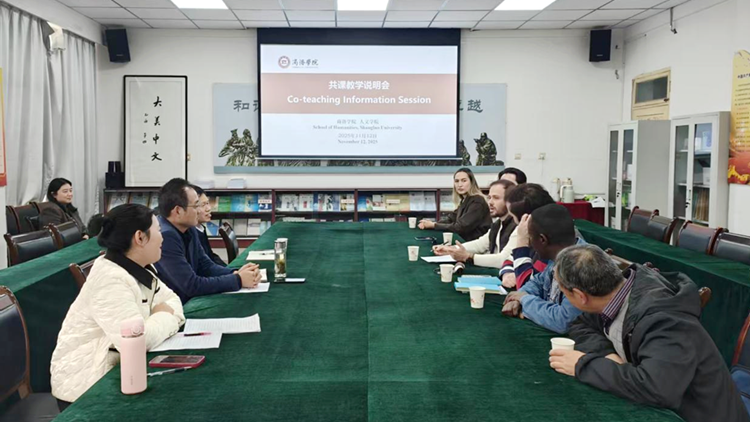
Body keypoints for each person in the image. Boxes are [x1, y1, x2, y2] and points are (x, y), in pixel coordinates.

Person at [549, 245, 750, 422]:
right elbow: (581, 325)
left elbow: (658, 388)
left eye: (564, 293)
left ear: (580, 296)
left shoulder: (664, 320)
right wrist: (608, 355)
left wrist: (582, 365)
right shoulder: (616, 293)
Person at [50, 204, 185, 409]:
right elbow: (138, 341)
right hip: (87, 388)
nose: (162, 237)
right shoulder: (109, 279)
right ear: (140, 237)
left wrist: (158, 318)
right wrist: (165, 316)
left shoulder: (139, 268)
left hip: (119, 372)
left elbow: (174, 301)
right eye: (158, 230)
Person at [154, 178, 260, 303]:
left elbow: (206, 266)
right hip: (177, 307)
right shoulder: (166, 237)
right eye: (196, 206)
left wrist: (236, 273)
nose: (200, 210)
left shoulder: (189, 227)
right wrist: (238, 280)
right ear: (178, 211)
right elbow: (191, 285)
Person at [501, 204, 584, 334]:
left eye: (530, 238)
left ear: (542, 240)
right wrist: (517, 297)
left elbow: (564, 321)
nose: (530, 243)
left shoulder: (581, 266)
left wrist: (525, 301)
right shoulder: (560, 255)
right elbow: (537, 283)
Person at [433, 179, 518, 288]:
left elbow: (503, 259)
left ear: (510, 202)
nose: (490, 202)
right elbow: (480, 244)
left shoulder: (518, 226)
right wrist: (451, 249)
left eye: (496, 198)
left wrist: (468, 257)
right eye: (489, 197)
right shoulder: (498, 223)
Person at [502, 183, 555, 289]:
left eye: (513, 217)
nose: (515, 222)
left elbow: (528, 286)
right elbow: (510, 260)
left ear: (526, 219)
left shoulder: (552, 243)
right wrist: (507, 273)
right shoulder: (540, 232)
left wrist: (522, 242)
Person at [418, 168, 491, 242]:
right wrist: (431, 223)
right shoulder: (465, 200)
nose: (460, 185)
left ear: (472, 182)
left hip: (475, 244)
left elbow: (460, 227)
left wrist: (434, 225)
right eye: (457, 181)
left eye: (464, 181)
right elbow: (451, 219)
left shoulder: (477, 201)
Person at [191, 185, 225, 266]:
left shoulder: (201, 228)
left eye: (207, 203)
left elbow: (210, 256)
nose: (208, 208)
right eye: (203, 205)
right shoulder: (191, 233)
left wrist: (229, 270)